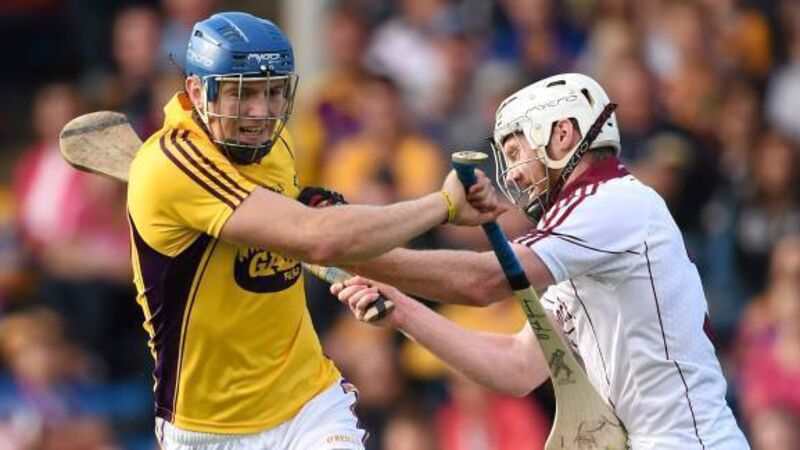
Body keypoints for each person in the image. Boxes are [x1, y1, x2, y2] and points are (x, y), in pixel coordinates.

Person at [126, 11, 502, 450]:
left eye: (272, 93)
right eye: (242, 94)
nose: (260, 113)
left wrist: (307, 210)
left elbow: (301, 233)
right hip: (205, 428)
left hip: (307, 403)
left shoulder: (276, 145)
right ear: (197, 91)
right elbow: (317, 237)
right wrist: (443, 205)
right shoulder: (172, 164)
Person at [333, 73, 750, 449]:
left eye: (516, 151)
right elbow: (516, 366)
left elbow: (484, 281)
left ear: (562, 133)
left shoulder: (611, 202)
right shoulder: (582, 235)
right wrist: (403, 310)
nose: (513, 174)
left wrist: (357, 254)